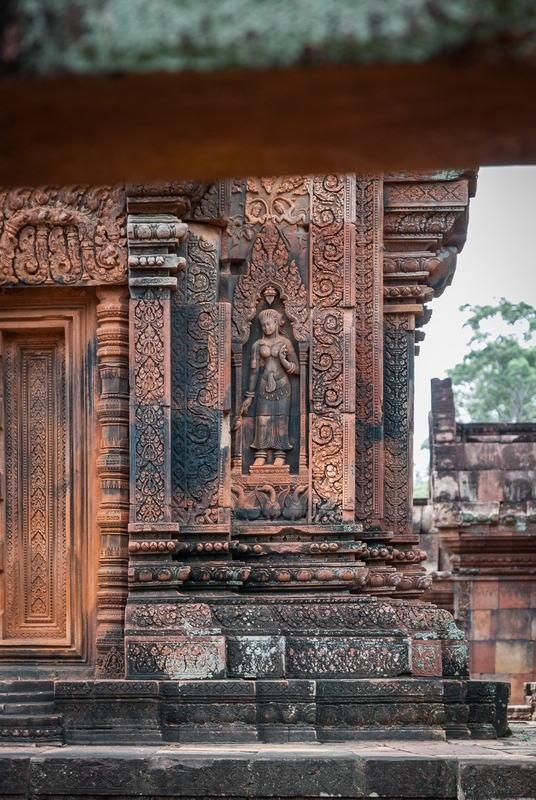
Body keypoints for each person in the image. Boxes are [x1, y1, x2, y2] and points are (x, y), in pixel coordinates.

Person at [240, 308, 299, 467]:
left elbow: (298, 369)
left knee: (281, 419)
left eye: (269, 324)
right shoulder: (257, 345)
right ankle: (261, 453)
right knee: (262, 419)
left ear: (276, 323)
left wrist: (284, 361)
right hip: (264, 385)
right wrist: (249, 396)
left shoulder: (286, 343)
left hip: (282, 385)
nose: (266, 327)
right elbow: (254, 372)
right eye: (263, 325)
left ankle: (280, 453)